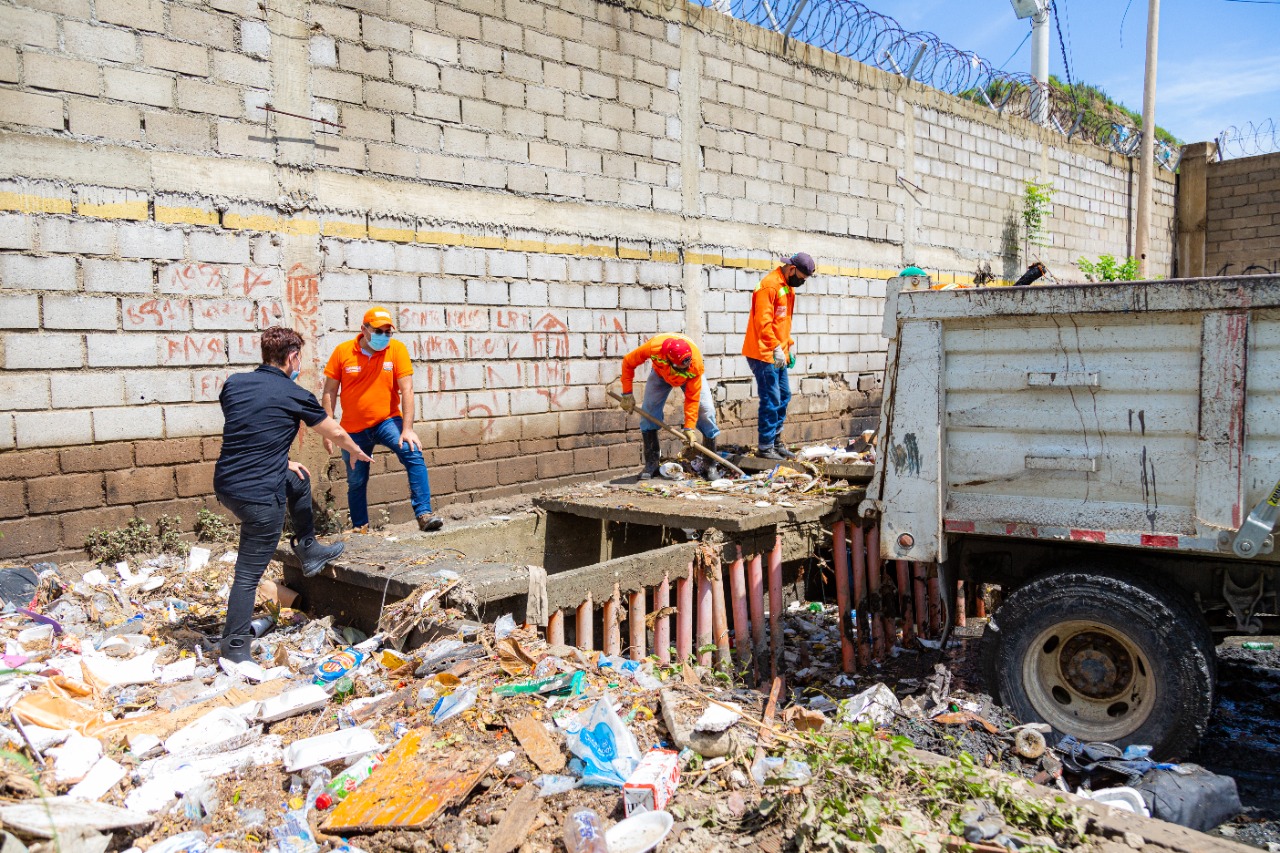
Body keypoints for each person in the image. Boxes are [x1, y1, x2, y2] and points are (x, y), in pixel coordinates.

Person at [213, 326, 372, 663]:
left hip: (226, 484)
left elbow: (251, 427)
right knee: (247, 574)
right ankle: (235, 646)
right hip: (259, 496)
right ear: (292, 357)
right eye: (299, 358)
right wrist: (356, 451)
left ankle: (308, 547)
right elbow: (334, 431)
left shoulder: (233, 384)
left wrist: (282, 462)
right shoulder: (293, 393)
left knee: (297, 478)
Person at [322, 306, 442, 532]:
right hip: (353, 429)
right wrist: (328, 430)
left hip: (387, 421)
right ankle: (360, 528)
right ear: (364, 330)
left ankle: (424, 514)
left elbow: (407, 390)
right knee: (356, 480)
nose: (384, 336)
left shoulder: (396, 349)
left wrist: (407, 429)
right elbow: (329, 391)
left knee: (413, 452)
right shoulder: (342, 352)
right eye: (378, 331)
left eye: (388, 332)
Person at [741, 252, 815, 460]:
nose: (801, 282)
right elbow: (763, 323)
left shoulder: (787, 287)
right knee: (771, 398)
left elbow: (782, 323)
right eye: (801, 278)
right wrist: (775, 347)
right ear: (792, 269)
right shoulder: (770, 286)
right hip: (763, 353)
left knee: (784, 395)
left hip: (778, 353)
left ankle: (775, 442)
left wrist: (787, 347)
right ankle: (765, 447)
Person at [617, 333, 720, 479]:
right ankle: (652, 463)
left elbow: (692, 398)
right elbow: (628, 361)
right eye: (681, 368)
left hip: (691, 378)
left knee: (706, 411)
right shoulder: (654, 348)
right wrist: (627, 393)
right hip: (661, 374)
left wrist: (689, 428)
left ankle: (710, 465)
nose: (685, 369)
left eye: (686, 366)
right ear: (668, 360)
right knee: (649, 412)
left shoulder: (694, 366)